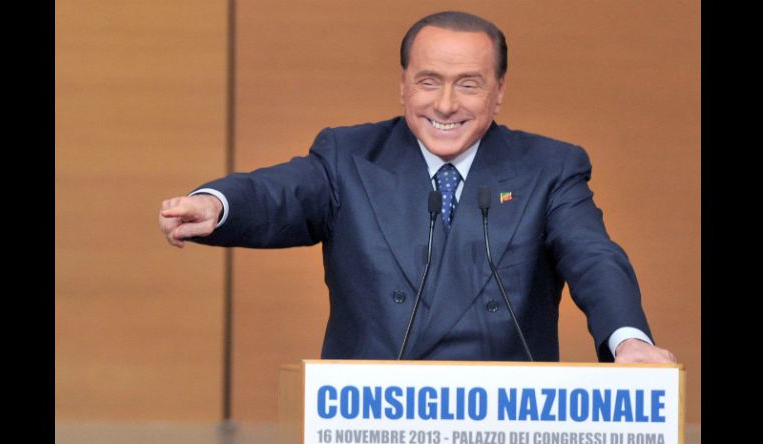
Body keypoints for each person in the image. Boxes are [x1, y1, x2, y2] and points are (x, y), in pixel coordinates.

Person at [158, 11, 675, 364]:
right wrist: (217, 203)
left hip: (506, 429)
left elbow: (593, 257)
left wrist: (628, 340)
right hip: (369, 427)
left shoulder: (549, 168)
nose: (445, 105)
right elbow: (282, 193)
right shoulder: (349, 157)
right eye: (429, 82)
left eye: (468, 84)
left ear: (498, 92)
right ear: (403, 84)